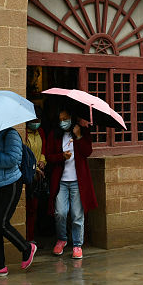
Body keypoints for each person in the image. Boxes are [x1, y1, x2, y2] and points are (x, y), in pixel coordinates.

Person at [0, 126, 38, 277]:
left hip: (10, 184)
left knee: (1, 223)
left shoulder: (11, 135)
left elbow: (12, 160)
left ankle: (27, 248)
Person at [45, 110, 96, 259]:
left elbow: (87, 152)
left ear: (72, 118)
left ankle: (77, 245)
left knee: (76, 214)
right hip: (61, 181)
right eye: (60, 119)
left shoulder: (81, 132)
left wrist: (79, 136)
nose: (63, 122)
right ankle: (62, 239)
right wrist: (61, 156)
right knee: (60, 212)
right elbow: (49, 156)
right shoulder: (54, 135)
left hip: (77, 182)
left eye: (66, 119)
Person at [22, 119, 48, 242]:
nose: (36, 123)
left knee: (34, 208)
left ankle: (31, 237)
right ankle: (26, 237)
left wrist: (42, 161)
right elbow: (25, 155)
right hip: (28, 174)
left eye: (38, 120)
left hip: (38, 176)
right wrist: (35, 169)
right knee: (28, 208)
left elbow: (43, 149)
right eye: (34, 120)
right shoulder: (24, 133)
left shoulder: (40, 131)